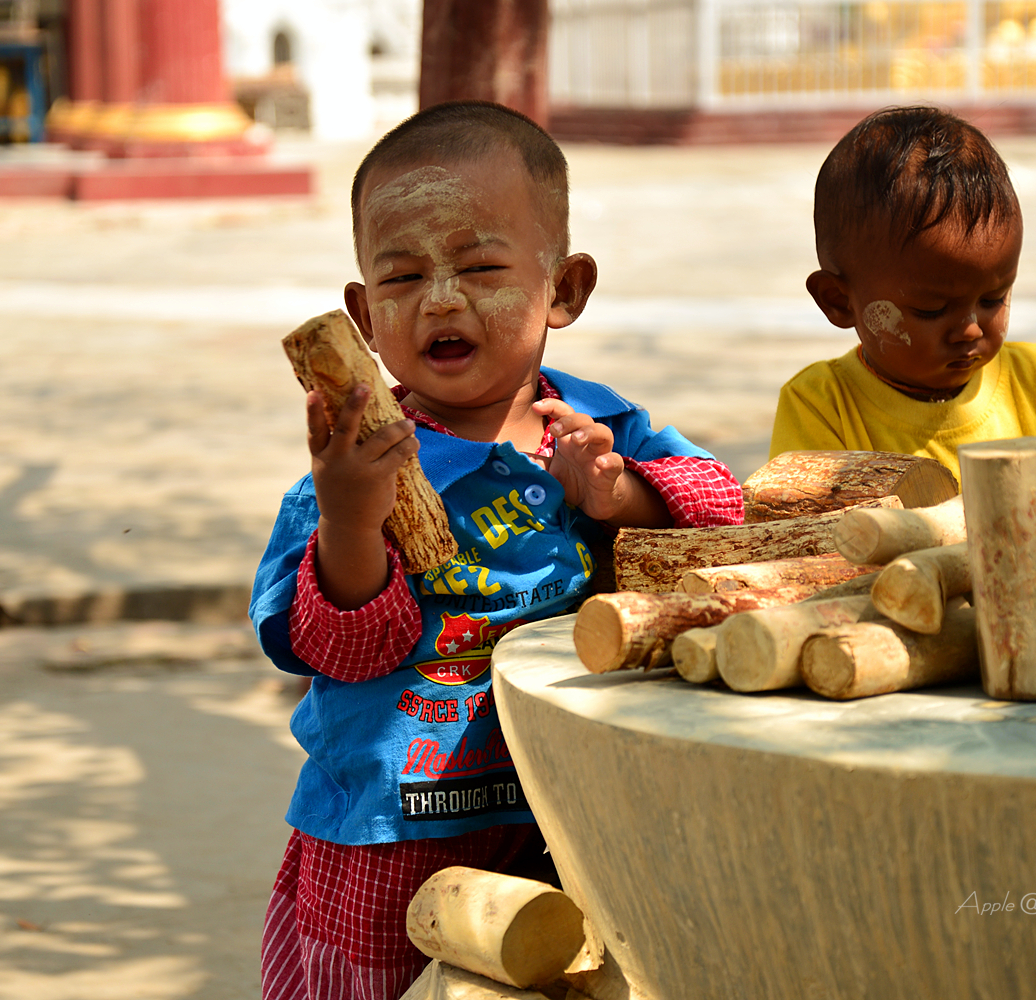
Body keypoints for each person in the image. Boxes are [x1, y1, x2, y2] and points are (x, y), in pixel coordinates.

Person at [249, 100, 743, 1000]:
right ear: (362, 312)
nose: (441, 299)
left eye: (480, 266)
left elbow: (727, 525)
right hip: (398, 829)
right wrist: (353, 518)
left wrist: (618, 494)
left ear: (566, 288)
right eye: (402, 280)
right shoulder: (360, 470)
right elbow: (345, 648)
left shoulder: (604, 427)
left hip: (572, 811)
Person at [771, 106, 1036, 478]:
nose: (970, 329)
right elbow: (804, 534)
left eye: (993, 300)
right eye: (932, 309)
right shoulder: (822, 405)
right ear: (838, 301)